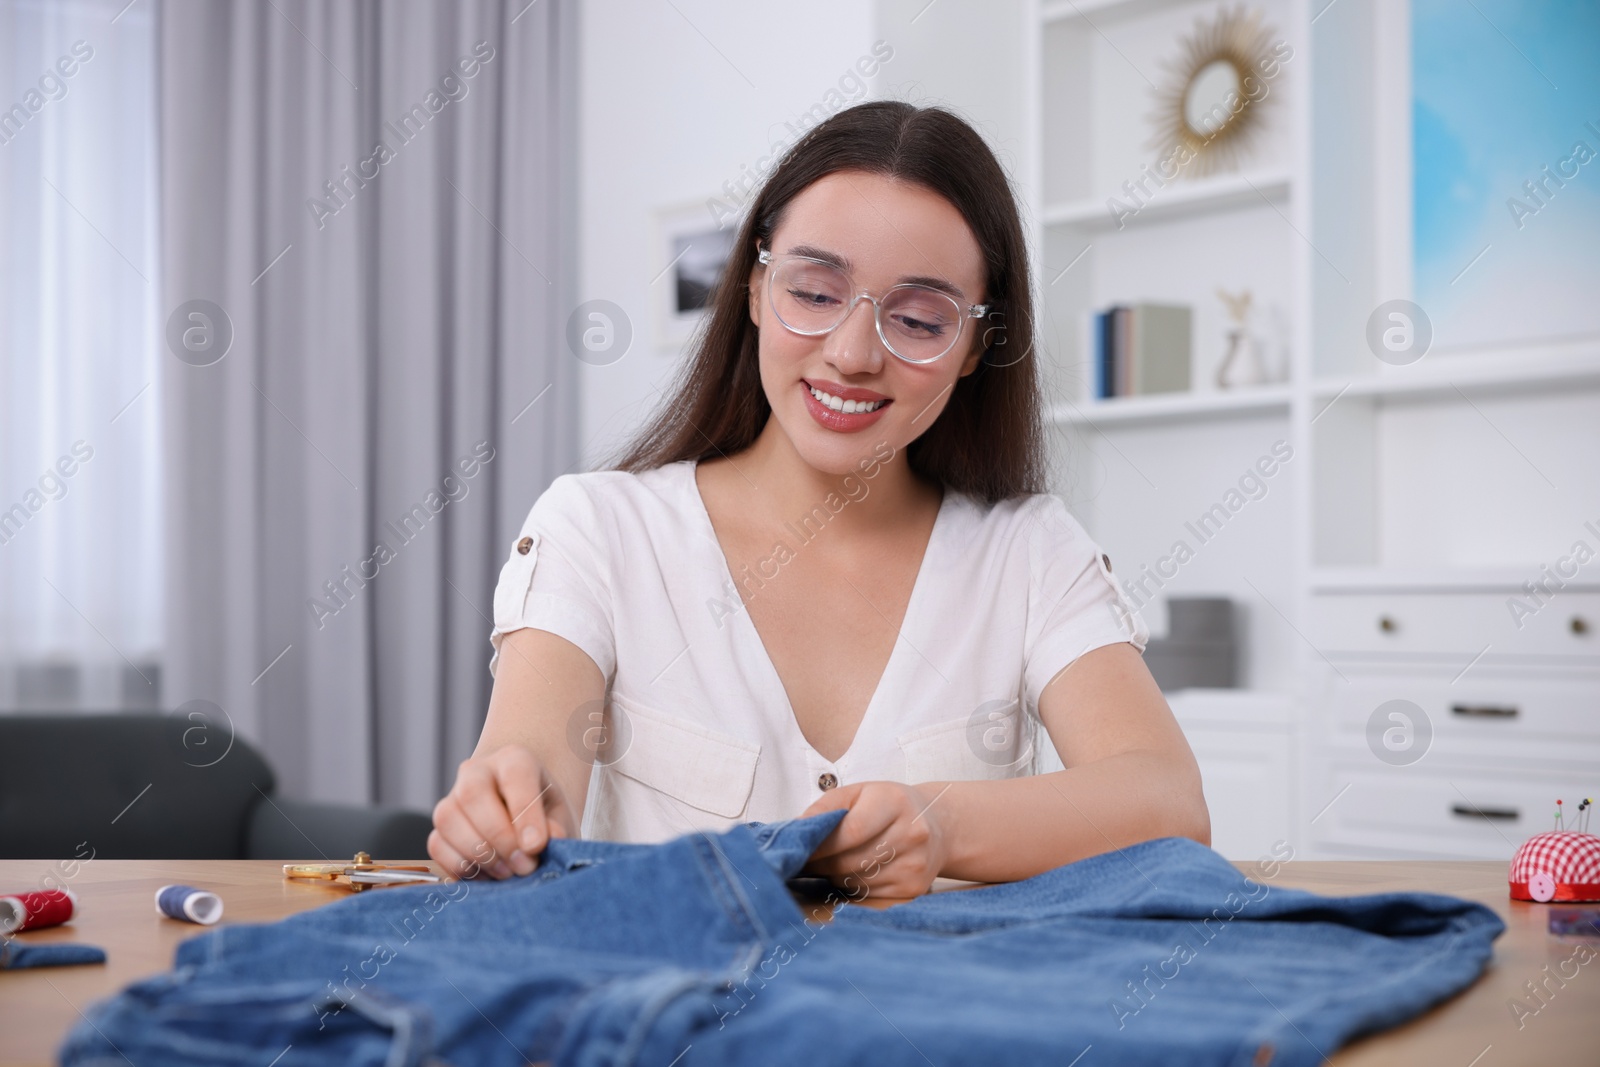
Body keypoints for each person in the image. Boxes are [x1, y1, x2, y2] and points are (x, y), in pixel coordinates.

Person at [429, 101, 1209, 898]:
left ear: (977, 345)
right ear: (756, 289)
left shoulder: (1030, 552)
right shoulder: (599, 529)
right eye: (814, 291)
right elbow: (523, 765)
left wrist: (942, 824)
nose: (851, 353)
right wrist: (502, 807)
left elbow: (1167, 800)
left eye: (916, 317)